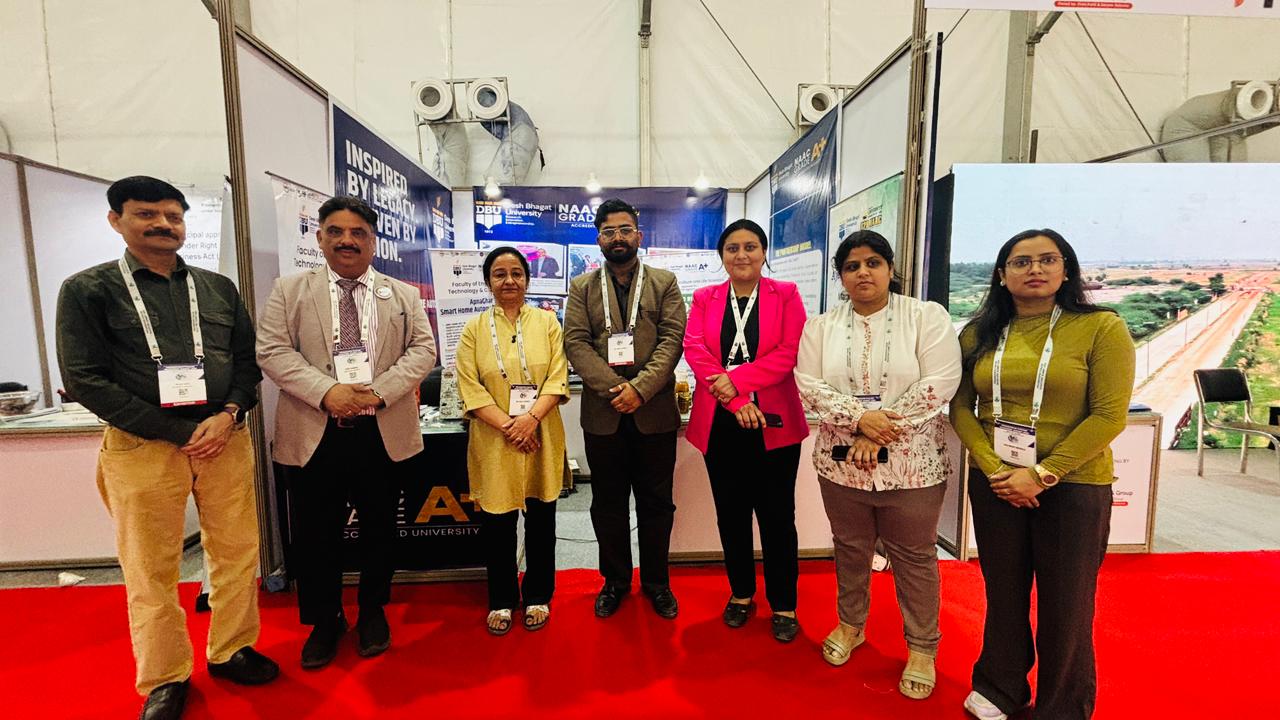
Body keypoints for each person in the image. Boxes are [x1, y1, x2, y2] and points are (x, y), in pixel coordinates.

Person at [56, 176, 278, 720]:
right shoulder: (88, 290)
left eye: (173, 216)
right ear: (117, 220)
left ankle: (231, 648)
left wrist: (229, 413)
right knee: (149, 566)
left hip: (224, 439)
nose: (163, 224)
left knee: (237, 551)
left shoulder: (217, 288)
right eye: (147, 214)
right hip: (142, 446)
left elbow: (246, 364)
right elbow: (84, 378)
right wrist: (178, 432)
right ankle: (165, 676)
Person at [950, 229, 1134, 720]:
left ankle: (1063, 706)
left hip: (1073, 484)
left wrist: (1043, 473)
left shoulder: (1101, 328)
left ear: (1066, 269)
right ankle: (1000, 686)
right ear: (1001, 274)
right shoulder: (979, 333)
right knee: (1003, 591)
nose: (1034, 269)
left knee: (1067, 602)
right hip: (996, 483)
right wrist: (995, 468)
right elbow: (961, 408)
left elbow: (1109, 415)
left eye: (1047, 260)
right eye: (1021, 261)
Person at [256, 194, 436, 669]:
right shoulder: (289, 291)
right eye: (335, 231)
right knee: (315, 533)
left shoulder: (403, 295)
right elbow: (272, 351)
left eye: (358, 233)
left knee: (381, 529)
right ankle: (325, 620)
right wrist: (327, 392)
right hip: (316, 430)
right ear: (319, 238)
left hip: (382, 431)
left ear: (373, 241)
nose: (347, 241)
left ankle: (373, 611)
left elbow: (423, 351)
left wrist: (378, 392)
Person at [794, 230, 961, 700]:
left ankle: (923, 647)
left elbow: (940, 381)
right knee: (850, 548)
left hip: (913, 465)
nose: (863, 273)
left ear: (890, 269)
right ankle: (851, 625)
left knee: (914, 555)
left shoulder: (925, 317)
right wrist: (859, 420)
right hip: (841, 464)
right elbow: (808, 383)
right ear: (841, 276)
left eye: (873, 263)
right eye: (852, 266)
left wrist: (877, 427)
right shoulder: (821, 327)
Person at [682, 219, 809, 641]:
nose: (741, 255)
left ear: (764, 252)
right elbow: (695, 349)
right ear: (722, 256)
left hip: (774, 423)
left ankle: (784, 604)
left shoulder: (785, 294)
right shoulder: (705, 297)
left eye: (750, 246)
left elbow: (790, 351)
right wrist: (735, 399)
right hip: (720, 422)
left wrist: (737, 381)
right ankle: (740, 593)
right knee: (731, 514)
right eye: (732, 248)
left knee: (777, 517)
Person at [563, 197, 687, 619]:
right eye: (609, 231)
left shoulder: (664, 283)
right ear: (599, 239)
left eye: (625, 230)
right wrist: (618, 388)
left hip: (654, 413)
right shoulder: (582, 288)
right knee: (607, 505)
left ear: (639, 235)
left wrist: (641, 389)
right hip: (604, 415)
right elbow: (576, 343)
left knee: (657, 504)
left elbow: (672, 340)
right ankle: (614, 582)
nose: (618, 237)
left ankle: (657, 583)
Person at [455, 246, 569, 635]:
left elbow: (557, 377)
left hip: (541, 433)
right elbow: (469, 386)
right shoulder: (473, 329)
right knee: (498, 525)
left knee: (542, 522)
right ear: (488, 282)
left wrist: (530, 420)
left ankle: (538, 595)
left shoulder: (547, 323)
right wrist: (511, 426)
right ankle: (502, 599)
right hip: (495, 438)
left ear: (527, 279)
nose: (509, 281)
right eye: (500, 274)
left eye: (517, 273)